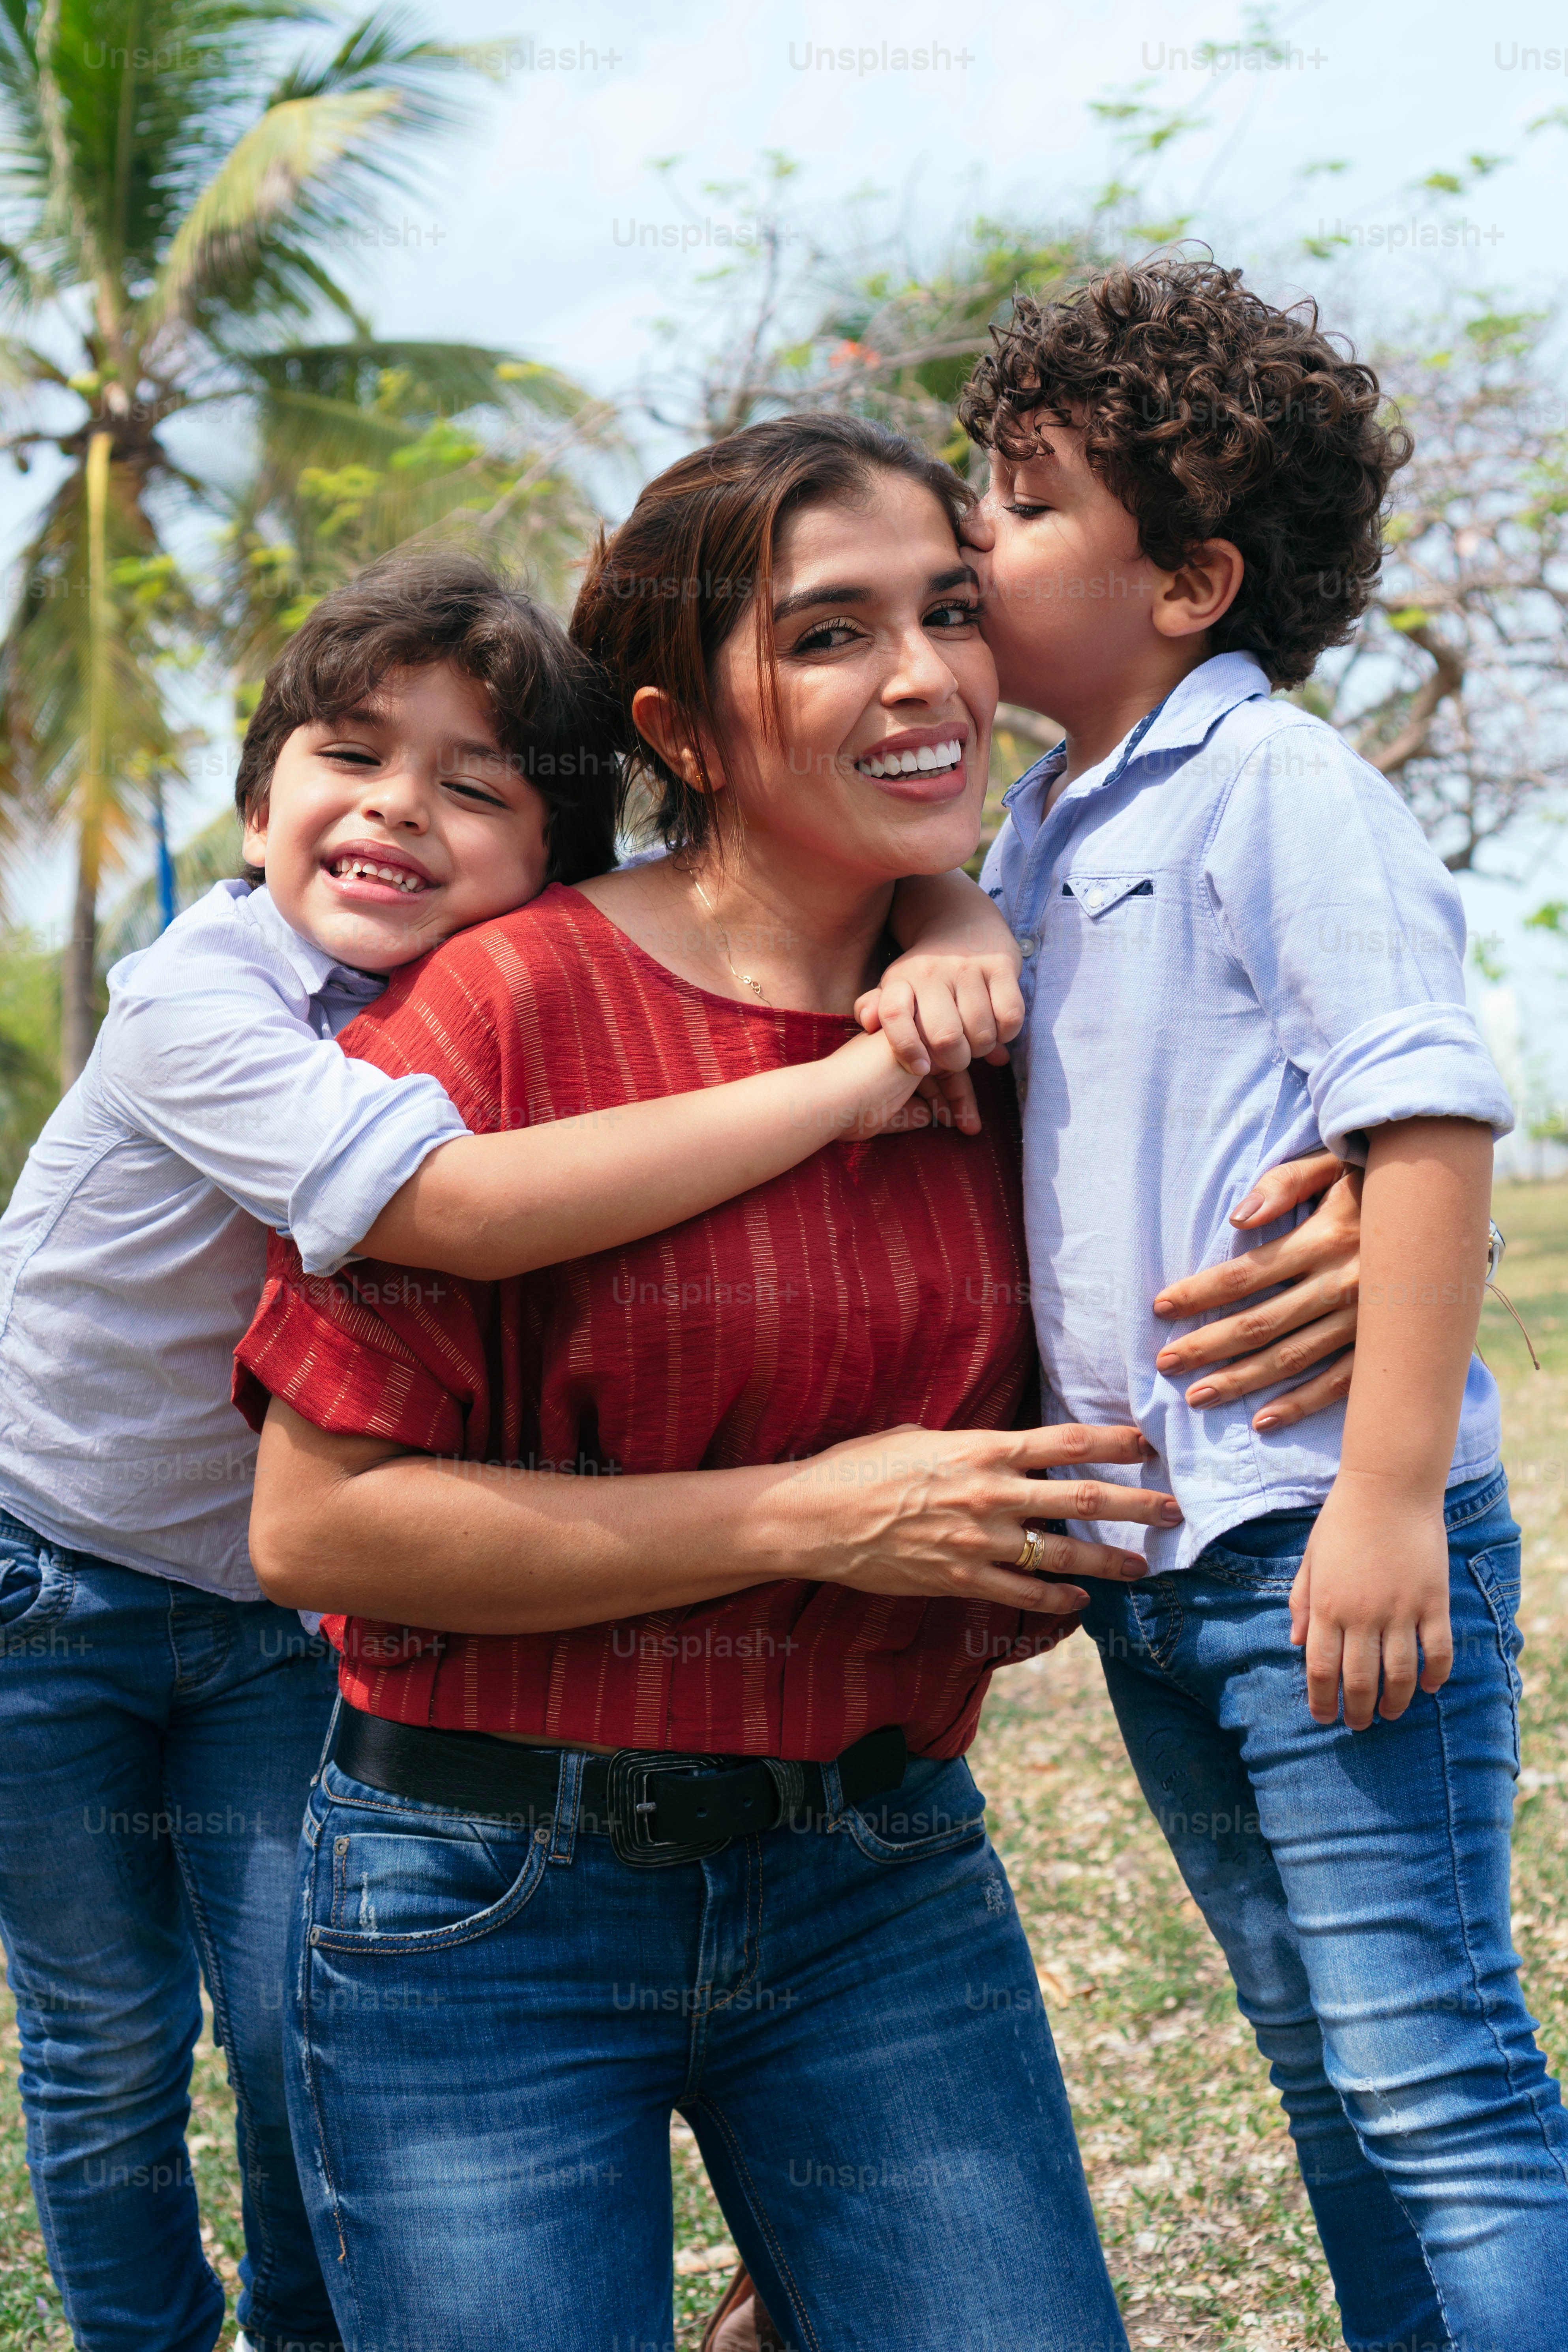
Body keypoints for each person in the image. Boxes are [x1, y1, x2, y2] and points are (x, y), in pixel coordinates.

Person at [233, 413, 1372, 2352]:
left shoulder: (1041, 1004)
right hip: (482, 1900)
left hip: (876, 1879)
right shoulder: (510, 1002)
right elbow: (319, 1523)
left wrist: (1358, 1220)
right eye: (831, 633)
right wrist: (813, 1515)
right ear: (682, 726)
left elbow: (1321, 1136)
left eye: (949, 608)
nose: (927, 675)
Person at [0, 546, 1055, 2352]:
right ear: (259, 798)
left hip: (259, 1603)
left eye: (474, 787)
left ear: (550, 851)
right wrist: (857, 1072)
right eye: (346, 757)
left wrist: (951, 916)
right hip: (46, 1569)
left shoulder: (483, 996)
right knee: (101, 2042)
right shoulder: (208, 994)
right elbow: (462, 1208)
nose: (394, 811)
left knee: (281, 2023)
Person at [955, 256, 1566, 2351]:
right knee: (1317, 2064)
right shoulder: (1035, 831)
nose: (972, 536)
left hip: (1325, 1546)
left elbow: (1427, 1118)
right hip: (1162, 1575)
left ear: (1189, 579)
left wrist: (1390, 1493)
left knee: (1433, 2070)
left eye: (1025, 502)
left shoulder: (1279, 791)